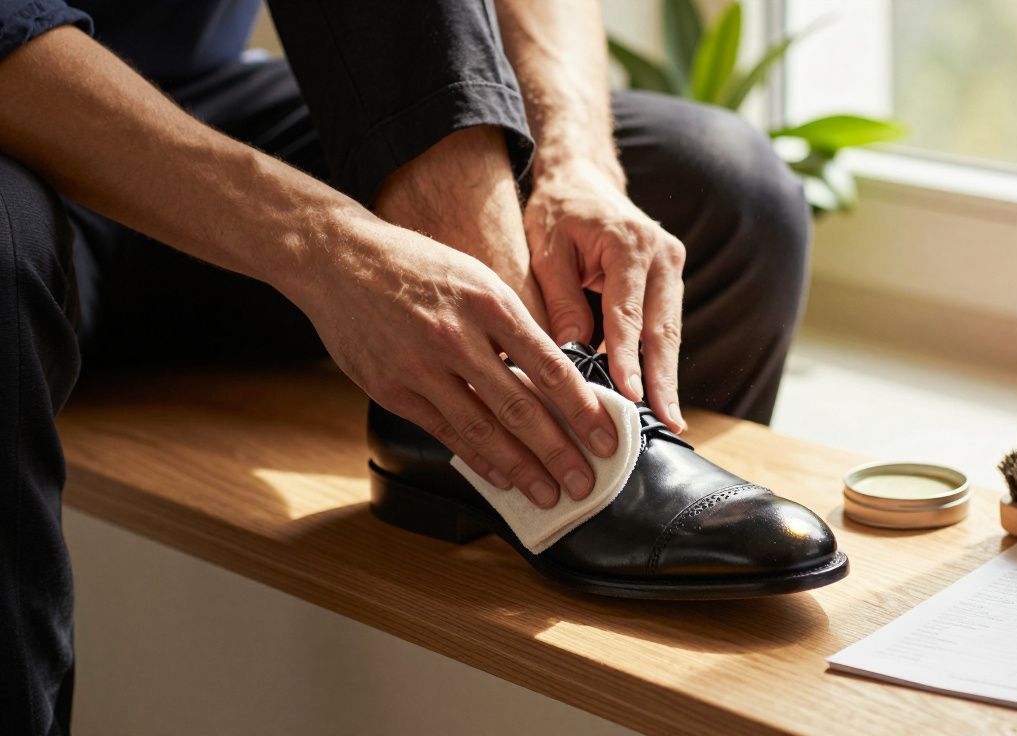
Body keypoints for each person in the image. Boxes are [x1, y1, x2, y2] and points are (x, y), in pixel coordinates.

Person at [0, 0, 811, 732]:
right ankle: (529, 390)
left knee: (724, 189)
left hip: (194, 99)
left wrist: (576, 160)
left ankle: (484, 425)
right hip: (28, 119)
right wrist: (322, 243)